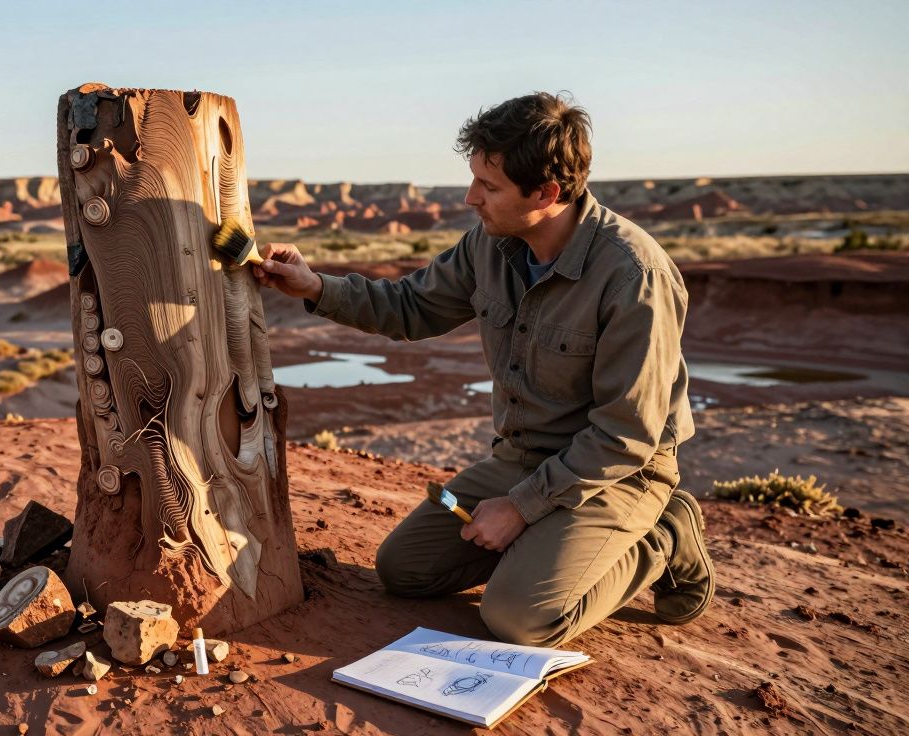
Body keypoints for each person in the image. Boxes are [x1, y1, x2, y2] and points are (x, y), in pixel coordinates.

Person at [251, 92, 715, 647]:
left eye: (489, 187)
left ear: (546, 193)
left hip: (616, 472)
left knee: (519, 619)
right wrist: (316, 286)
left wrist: (520, 509)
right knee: (407, 571)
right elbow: (410, 306)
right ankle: (550, 548)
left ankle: (658, 538)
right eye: (474, 179)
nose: (472, 198)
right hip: (522, 457)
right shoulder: (490, 246)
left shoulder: (634, 276)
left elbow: (626, 435)